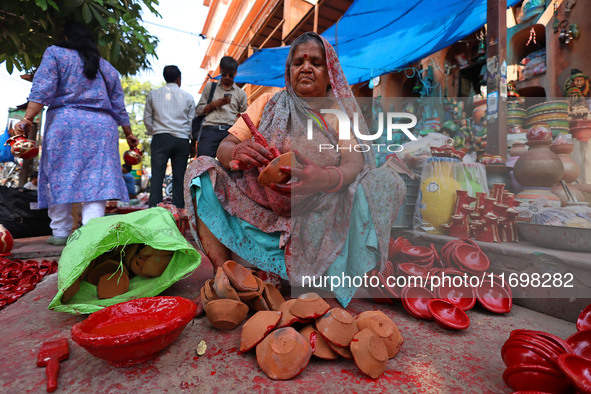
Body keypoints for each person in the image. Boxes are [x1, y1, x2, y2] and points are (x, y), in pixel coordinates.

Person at [184, 32, 406, 306]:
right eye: (298, 62)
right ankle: (224, 276)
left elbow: (354, 161)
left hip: (318, 209)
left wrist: (324, 177)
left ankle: (325, 278)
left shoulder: (335, 112)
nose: (306, 67)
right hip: (259, 206)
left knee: (386, 180)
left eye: (316, 62)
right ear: (288, 71)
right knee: (201, 168)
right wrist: (236, 152)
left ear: (329, 73)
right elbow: (225, 146)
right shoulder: (268, 103)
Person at [11, 21, 139, 246]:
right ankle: (91, 232)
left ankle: (60, 232)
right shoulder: (106, 67)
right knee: (97, 180)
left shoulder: (56, 54)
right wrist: (129, 134)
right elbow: (119, 104)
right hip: (102, 127)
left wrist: (27, 118)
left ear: (66, 38)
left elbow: (42, 89)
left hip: (66, 124)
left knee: (60, 176)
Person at [144, 65, 195, 208]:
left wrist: (154, 131)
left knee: (157, 177)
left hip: (161, 138)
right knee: (179, 178)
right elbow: (192, 123)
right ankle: (179, 211)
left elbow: (147, 118)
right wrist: (190, 140)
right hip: (181, 139)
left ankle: (154, 210)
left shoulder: (154, 94)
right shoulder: (188, 97)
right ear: (179, 78)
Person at [195, 56, 247, 158]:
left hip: (230, 132)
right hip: (210, 130)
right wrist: (214, 104)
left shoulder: (241, 94)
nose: (227, 77)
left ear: (235, 73)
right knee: (204, 164)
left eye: (230, 75)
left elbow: (244, 115)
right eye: (224, 74)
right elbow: (199, 110)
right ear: (220, 70)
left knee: (231, 167)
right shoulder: (210, 87)